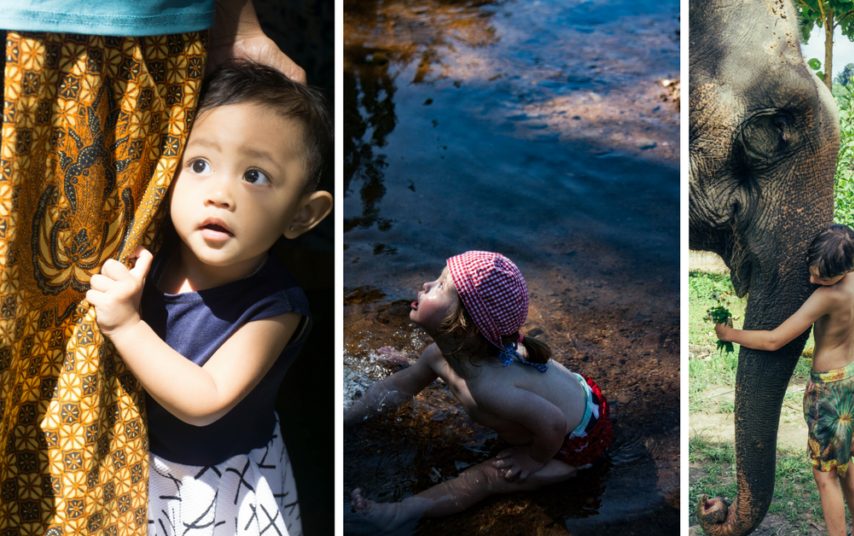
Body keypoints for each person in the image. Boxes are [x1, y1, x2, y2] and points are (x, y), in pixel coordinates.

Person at [85, 62, 333, 535]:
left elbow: (206, 400)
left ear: (302, 214)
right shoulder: (149, 255)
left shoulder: (275, 307)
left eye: (255, 175)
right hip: (139, 467)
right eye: (199, 165)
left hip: (217, 486)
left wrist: (125, 325)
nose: (219, 193)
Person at [345, 251, 613, 532]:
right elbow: (397, 387)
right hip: (559, 402)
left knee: (488, 477)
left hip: (572, 443)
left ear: (464, 327)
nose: (426, 284)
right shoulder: (437, 356)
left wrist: (532, 458)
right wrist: (347, 417)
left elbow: (555, 424)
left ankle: (400, 512)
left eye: (439, 286)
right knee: (420, 375)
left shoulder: (492, 389)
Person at [714, 224, 854, 536]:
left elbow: (774, 340)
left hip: (830, 390)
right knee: (844, 464)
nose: (813, 281)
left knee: (824, 475)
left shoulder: (828, 296)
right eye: (811, 273)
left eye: (821, 278)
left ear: (845, 268)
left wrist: (729, 334)